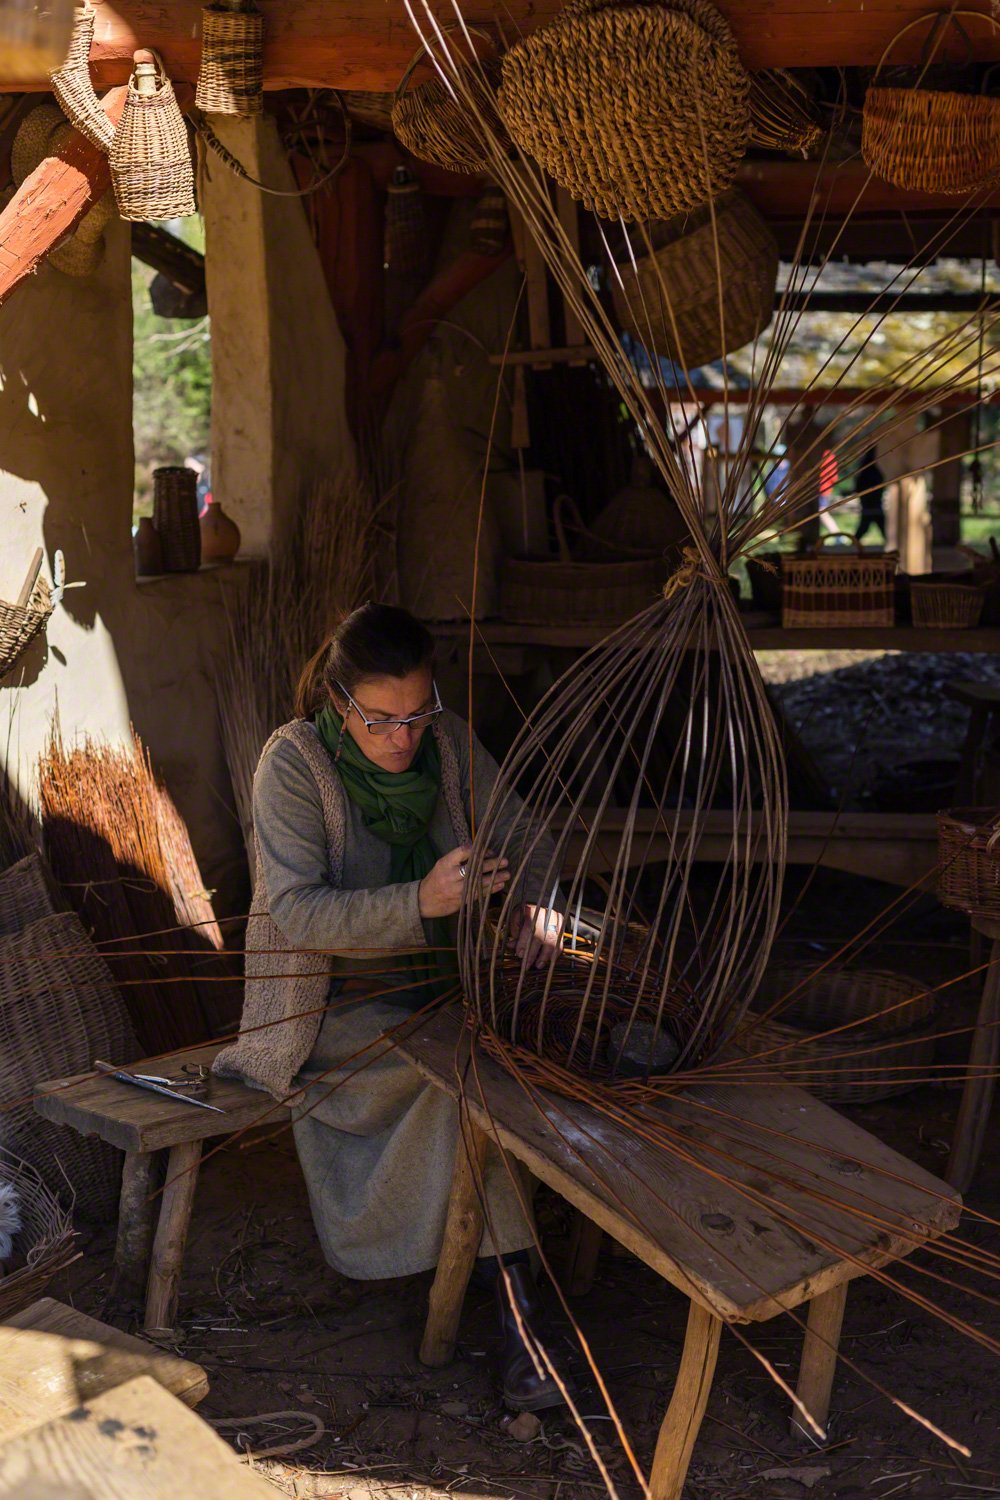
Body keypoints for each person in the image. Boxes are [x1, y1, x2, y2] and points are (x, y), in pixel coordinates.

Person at [214, 603, 566, 1411]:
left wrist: (536, 905)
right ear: (341, 704)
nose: (402, 738)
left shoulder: (444, 743)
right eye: (380, 721)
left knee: (522, 1064)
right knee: (463, 1092)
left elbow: (525, 831)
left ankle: (520, 1276)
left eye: (416, 715)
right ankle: (520, 1324)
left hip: (453, 992)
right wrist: (421, 901)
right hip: (339, 1016)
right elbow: (296, 911)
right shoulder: (294, 765)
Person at [854, 446, 886, 544]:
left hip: (868, 502)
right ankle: (854, 543)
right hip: (874, 502)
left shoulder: (865, 469)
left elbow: (858, 486)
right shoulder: (876, 469)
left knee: (867, 525)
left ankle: (854, 543)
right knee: (873, 525)